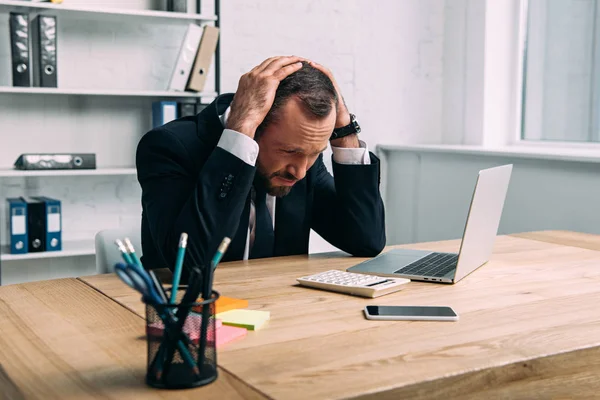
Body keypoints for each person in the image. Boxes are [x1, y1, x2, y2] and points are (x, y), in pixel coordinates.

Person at [136, 56, 386, 275]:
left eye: (314, 154)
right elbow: (190, 266)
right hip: (186, 314)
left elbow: (366, 240)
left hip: (275, 308)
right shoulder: (169, 147)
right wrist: (240, 132)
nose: (299, 172)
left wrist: (344, 132)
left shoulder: (303, 158)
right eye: (289, 151)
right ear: (255, 123)